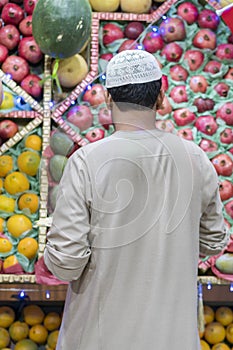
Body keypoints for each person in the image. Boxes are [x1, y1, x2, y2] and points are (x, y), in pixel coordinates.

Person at [44, 50, 229, 350]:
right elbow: (213, 242)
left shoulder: (87, 162)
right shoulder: (197, 159)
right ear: (160, 98)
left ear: (107, 99)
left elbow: (66, 263)